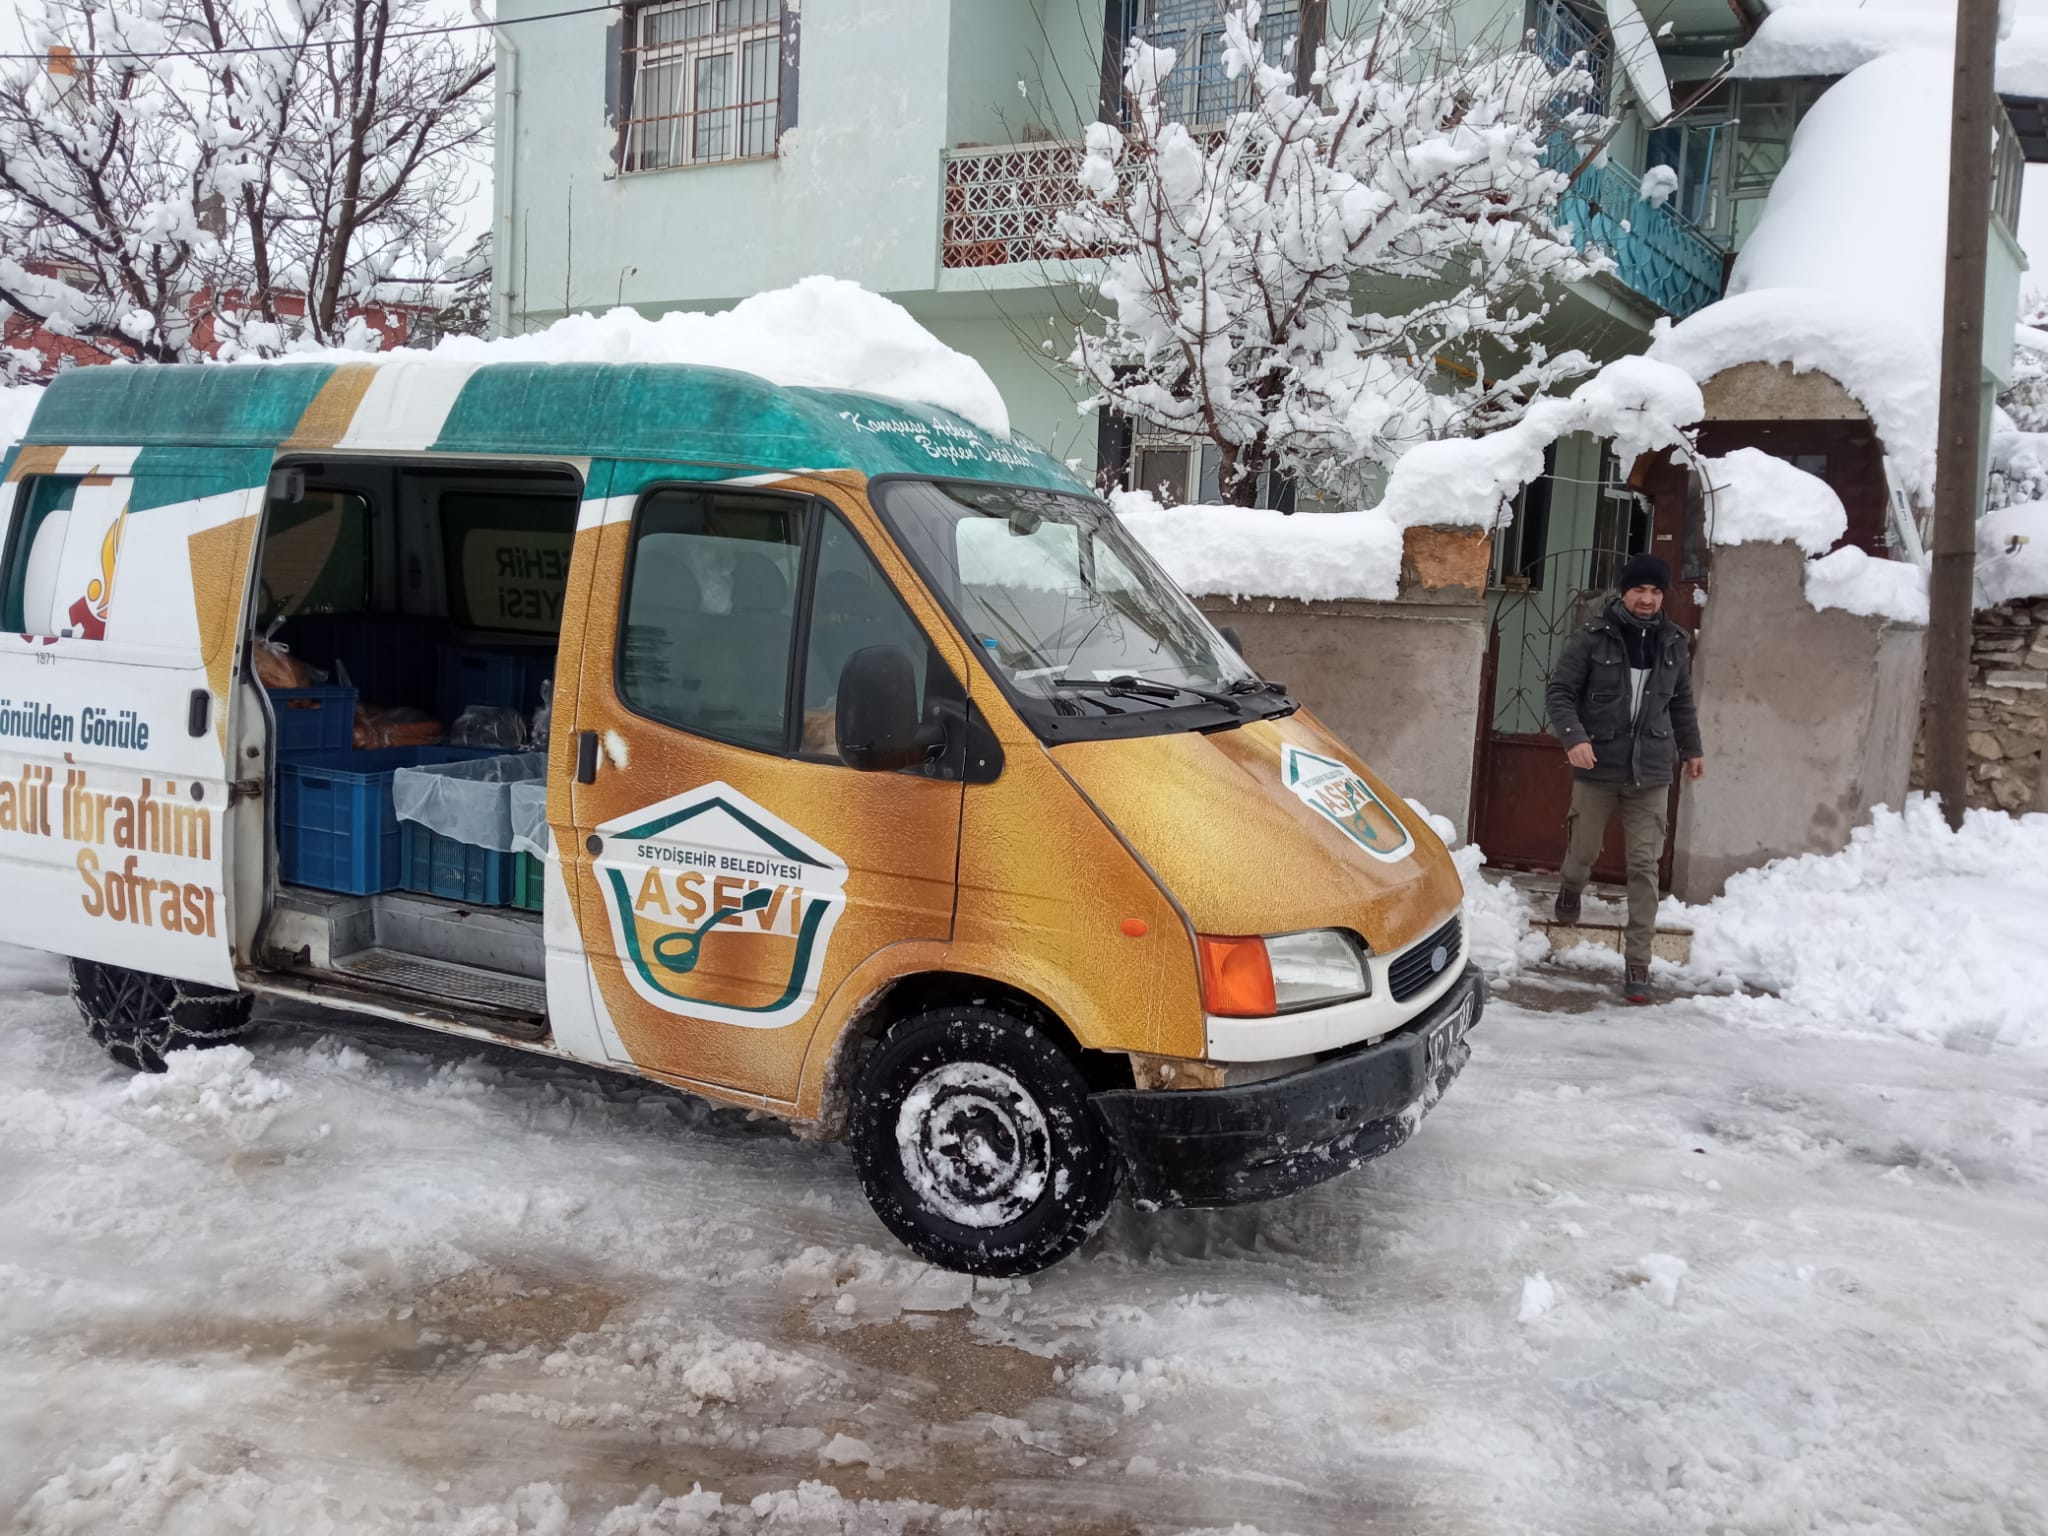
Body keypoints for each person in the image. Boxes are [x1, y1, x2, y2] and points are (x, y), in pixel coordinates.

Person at [1545, 553, 1705, 1005]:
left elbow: (1681, 703)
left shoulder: (1673, 642)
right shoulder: (1594, 638)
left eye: (1656, 591)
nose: (1648, 599)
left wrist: (1692, 749)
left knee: (1643, 866)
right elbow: (1559, 692)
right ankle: (1572, 887)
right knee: (1584, 850)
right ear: (1624, 591)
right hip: (1598, 764)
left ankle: (1638, 962)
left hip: (1651, 770)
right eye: (1640, 590)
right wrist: (1573, 738)